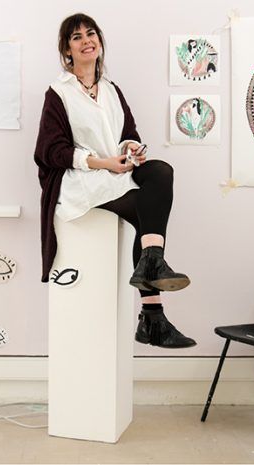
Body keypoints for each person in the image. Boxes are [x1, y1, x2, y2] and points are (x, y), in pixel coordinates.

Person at [34, 13, 195, 348]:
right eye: (76, 37)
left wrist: (130, 148)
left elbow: (128, 133)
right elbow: (50, 150)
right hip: (82, 179)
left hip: (116, 171)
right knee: (146, 211)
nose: (86, 41)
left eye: (90, 33)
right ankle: (152, 316)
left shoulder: (110, 90)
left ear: (99, 40)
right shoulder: (59, 93)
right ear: (67, 49)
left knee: (161, 172)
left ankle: (152, 270)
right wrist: (101, 162)